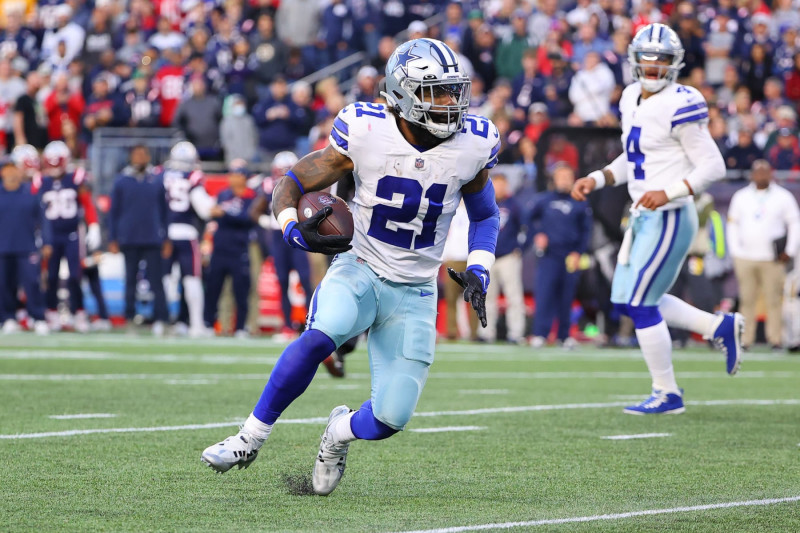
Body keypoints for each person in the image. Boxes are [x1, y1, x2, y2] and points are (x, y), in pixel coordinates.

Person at [201, 38, 500, 496]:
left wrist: (479, 269)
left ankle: (338, 432)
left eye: (451, 91)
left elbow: (484, 214)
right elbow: (292, 182)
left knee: (391, 418)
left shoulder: (474, 143)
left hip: (416, 288)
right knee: (323, 334)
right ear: (402, 94)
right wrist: (289, 228)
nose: (449, 103)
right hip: (360, 264)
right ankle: (249, 438)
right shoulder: (364, 130)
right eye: (435, 92)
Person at [571, 23, 743, 415]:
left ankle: (667, 393)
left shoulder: (682, 101)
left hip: (669, 215)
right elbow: (635, 159)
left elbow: (713, 166)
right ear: (633, 61)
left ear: (674, 64)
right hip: (645, 216)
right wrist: (598, 178)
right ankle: (718, 327)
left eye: (661, 60)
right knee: (633, 301)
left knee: (641, 302)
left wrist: (669, 191)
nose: (652, 67)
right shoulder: (631, 96)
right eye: (646, 60)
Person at [727, 160, 800, 350]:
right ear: (752, 174)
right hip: (746, 257)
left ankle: (775, 339)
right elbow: (732, 224)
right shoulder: (741, 196)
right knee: (747, 299)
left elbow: (794, 223)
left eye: (764, 172)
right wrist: (735, 250)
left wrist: (789, 250)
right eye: (758, 172)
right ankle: (745, 340)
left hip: (772, 259)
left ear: (771, 174)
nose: (761, 176)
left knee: (774, 300)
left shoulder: (783, 197)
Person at [34, 141, 101, 333]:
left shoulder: (76, 178)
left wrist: (93, 225)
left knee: (75, 275)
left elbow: (87, 203)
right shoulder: (40, 181)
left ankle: (79, 313)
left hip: (72, 233)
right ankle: (52, 313)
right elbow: (33, 209)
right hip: (50, 235)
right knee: (51, 276)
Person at [108, 145, 170, 336]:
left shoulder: (157, 180)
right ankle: (129, 317)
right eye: (137, 154)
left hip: (152, 237)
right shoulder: (121, 181)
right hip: (129, 237)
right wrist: (113, 237)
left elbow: (165, 211)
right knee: (130, 280)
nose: (140, 158)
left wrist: (166, 237)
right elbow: (113, 212)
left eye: (143, 154)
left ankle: (161, 318)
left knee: (156, 280)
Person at [251, 151, 314, 340]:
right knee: (283, 280)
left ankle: (312, 323)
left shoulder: (304, 184)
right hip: (279, 236)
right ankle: (287, 325)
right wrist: (268, 222)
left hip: (297, 232)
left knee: (304, 278)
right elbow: (254, 211)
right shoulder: (269, 184)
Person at [530, 164, 593, 348]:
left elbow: (586, 230)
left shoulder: (580, 202)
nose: (564, 180)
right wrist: (537, 234)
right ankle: (540, 334)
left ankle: (564, 335)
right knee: (544, 295)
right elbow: (529, 219)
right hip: (549, 255)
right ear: (554, 179)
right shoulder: (543, 200)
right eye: (561, 176)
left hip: (570, 256)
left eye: (568, 176)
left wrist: (578, 252)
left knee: (567, 296)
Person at [159, 141, 214, 337]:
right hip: (186, 233)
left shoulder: (161, 174)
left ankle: (162, 322)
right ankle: (196, 324)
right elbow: (204, 209)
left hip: (163, 234)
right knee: (192, 279)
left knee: (164, 279)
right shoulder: (193, 176)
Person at [203, 164, 257, 338]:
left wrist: (224, 214)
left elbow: (247, 218)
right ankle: (209, 324)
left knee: (241, 290)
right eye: (232, 174)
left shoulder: (251, 197)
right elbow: (213, 215)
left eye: (237, 174)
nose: (233, 177)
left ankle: (241, 327)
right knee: (213, 288)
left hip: (239, 249)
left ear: (244, 177)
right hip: (220, 248)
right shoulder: (223, 194)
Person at [0, 158, 49, 335]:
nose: (12, 173)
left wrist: (46, 242)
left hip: (27, 246)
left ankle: (38, 317)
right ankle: (7, 318)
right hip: (2, 247)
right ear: (2, 173)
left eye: (14, 169)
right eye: (8, 169)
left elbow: (43, 220)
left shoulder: (30, 193)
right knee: (4, 284)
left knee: (32, 283)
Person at [479, 172, 526, 344]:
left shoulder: (514, 205)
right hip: (487, 257)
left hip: (507, 257)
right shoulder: (484, 203)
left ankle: (516, 333)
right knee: (486, 297)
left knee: (513, 297)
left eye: (501, 184)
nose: (498, 188)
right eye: (495, 184)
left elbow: (527, 228)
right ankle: (486, 333)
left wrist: (519, 249)